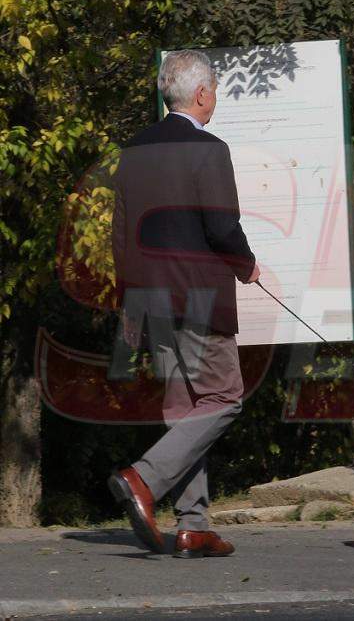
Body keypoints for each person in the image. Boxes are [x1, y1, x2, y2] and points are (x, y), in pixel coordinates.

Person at [108, 49, 260, 558]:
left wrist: (130, 305)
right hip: (199, 300)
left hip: (151, 302)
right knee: (223, 399)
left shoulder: (134, 150)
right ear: (201, 94)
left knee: (186, 411)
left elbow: (122, 236)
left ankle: (192, 526)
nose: (214, 98)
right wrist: (249, 265)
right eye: (214, 89)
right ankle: (143, 479)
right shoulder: (210, 150)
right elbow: (222, 226)